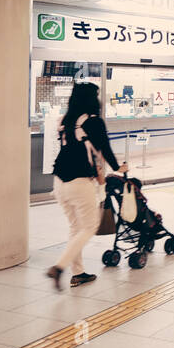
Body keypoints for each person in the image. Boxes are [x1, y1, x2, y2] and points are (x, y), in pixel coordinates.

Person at [48, 83, 127, 289]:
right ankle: (59, 267)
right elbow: (105, 148)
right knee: (89, 227)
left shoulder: (66, 120)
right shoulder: (93, 122)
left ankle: (78, 273)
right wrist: (119, 167)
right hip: (79, 181)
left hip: (59, 182)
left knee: (75, 227)